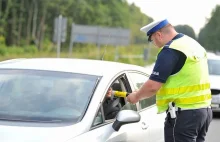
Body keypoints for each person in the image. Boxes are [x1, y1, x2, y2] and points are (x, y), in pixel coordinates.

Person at [127, 19, 212, 142]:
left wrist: (136, 97)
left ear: (159, 35)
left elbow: (153, 86)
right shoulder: (193, 44)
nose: (154, 44)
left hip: (184, 115)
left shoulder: (170, 50)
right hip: (204, 112)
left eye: (152, 40)